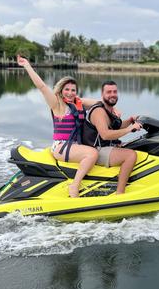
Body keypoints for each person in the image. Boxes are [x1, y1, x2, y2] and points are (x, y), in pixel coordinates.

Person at [16, 55, 98, 198]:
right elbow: (41, 86)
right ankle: (74, 186)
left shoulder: (75, 103)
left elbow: (97, 103)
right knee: (92, 154)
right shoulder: (57, 104)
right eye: (67, 89)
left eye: (73, 90)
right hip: (61, 147)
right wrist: (27, 66)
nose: (70, 93)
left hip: (73, 146)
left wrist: (111, 108)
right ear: (61, 90)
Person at [82, 80, 142, 194]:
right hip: (95, 150)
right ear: (102, 94)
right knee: (130, 155)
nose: (112, 94)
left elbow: (116, 127)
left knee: (137, 146)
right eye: (109, 92)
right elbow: (105, 134)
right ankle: (120, 193)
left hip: (105, 147)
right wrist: (129, 129)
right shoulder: (98, 111)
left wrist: (130, 121)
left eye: (114, 91)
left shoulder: (108, 110)